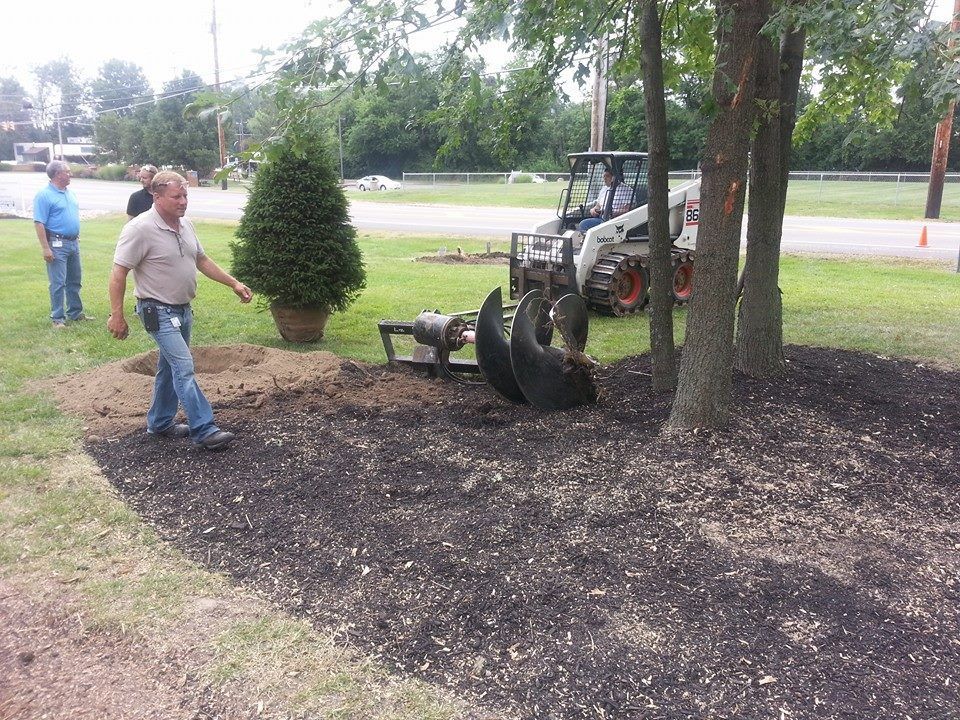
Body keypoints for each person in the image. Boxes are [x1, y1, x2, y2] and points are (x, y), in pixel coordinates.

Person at [107, 170, 253, 451]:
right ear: (157, 196)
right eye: (177, 196)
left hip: (183, 310)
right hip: (156, 310)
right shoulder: (139, 229)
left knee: (168, 368)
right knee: (184, 367)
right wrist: (117, 314)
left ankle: (160, 423)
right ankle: (204, 428)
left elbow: (202, 259)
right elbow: (118, 273)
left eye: (185, 195)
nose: (183, 201)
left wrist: (234, 283)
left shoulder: (186, 225)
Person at [33, 160, 94, 328]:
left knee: (75, 280)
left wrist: (75, 234)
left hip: (73, 243)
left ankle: (75, 312)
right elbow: (39, 223)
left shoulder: (69, 193)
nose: (70, 174)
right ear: (58, 174)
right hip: (56, 244)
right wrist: (46, 248)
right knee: (58, 282)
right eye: (67, 171)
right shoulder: (44, 195)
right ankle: (57, 318)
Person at [577, 169, 633, 233]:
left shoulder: (626, 190)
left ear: (615, 177)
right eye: (604, 176)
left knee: (585, 225)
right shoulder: (604, 189)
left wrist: (611, 213)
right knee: (584, 224)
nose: (604, 179)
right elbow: (598, 205)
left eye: (607, 176)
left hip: (616, 221)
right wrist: (593, 210)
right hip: (602, 219)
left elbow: (629, 210)